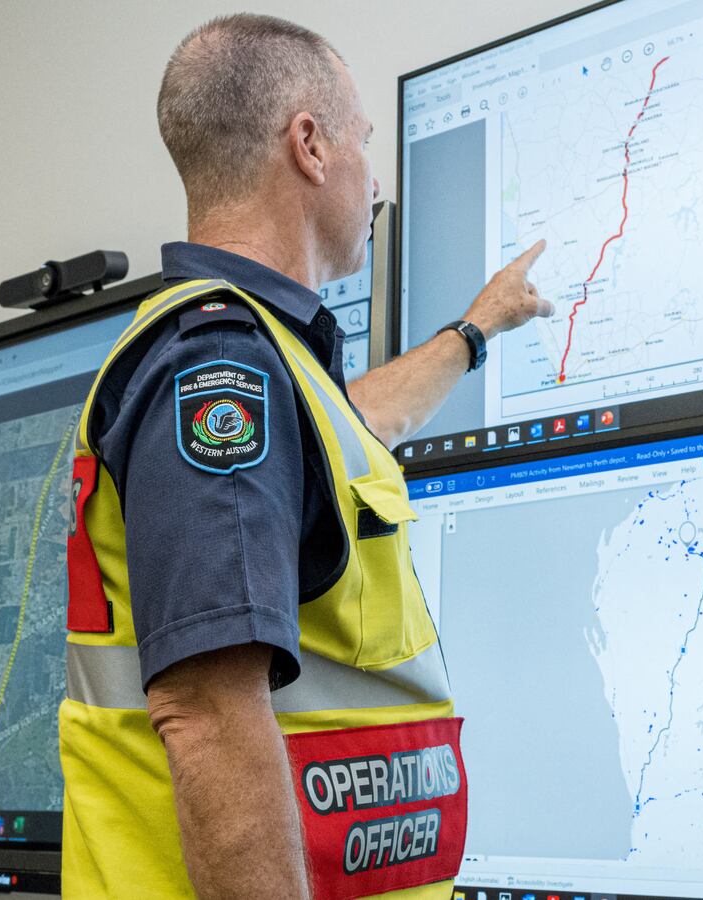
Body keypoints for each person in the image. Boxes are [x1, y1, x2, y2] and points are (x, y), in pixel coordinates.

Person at [57, 13, 552, 899]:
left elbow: (349, 433)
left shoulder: (254, 360)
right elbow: (208, 714)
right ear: (311, 146)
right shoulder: (219, 366)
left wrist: (476, 331)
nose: (373, 177)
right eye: (363, 141)